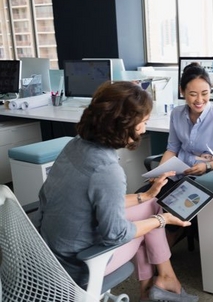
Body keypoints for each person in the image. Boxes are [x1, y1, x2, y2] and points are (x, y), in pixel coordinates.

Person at [33, 81, 198, 302]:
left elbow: (96, 199)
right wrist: (162, 220)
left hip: (49, 248)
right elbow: (117, 234)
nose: (144, 129)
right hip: (79, 263)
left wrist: (146, 195)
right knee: (150, 223)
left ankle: (159, 285)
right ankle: (160, 287)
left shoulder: (76, 145)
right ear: (123, 124)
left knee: (150, 204)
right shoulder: (107, 170)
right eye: (143, 122)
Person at [155, 62, 213, 178]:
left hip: (210, 174)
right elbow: (172, 150)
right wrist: (160, 174)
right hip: (181, 173)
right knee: (153, 193)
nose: (199, 100)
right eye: (193, 94)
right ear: (182, 91)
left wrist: (208, 166)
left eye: (204, 93)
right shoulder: (176, 114)